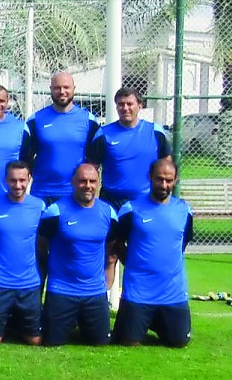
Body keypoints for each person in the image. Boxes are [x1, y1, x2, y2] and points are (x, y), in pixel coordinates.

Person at [112, 158, 194, 348]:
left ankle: (157, 321)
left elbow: (181, 244)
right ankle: (141, 320)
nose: (164, 185)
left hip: (172, 293)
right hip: (139, 292)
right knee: (129, 342)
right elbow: (116, 244)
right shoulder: (130, 209)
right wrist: (133, 263)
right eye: (159, 179)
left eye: (168, 180)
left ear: (175, 181)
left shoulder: (184, 210)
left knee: (178, 342)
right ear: (150, 177)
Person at [37, 162, 117, 347]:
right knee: (52, 342)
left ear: (98, 183)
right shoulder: (55, 212)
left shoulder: (109, 213)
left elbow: (111, 250)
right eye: (82, 181)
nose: (87, 186)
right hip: (62, 290)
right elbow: (42, 244)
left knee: (101, 343)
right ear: (72, 182)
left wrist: (104, 283)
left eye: (92, 181)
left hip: (94, 292)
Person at [0, 160, 45, 345]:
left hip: (28, 283)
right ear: (5, 180)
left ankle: (15, 325)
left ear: (29, 179)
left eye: (22, 180)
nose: (18, 185)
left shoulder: (39, 206)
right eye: (13, 180)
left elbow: (42, 243)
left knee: (35, 340)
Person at [20, 71, 99, 204]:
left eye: (66, 87)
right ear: (51, 89)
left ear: (74, 89)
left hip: (74, 194)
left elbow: (95, 161)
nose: (62, 91)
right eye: (57, 88)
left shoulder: (89, 121)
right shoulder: (35, 120)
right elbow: (25, 157)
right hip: (42, 193)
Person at [87, 87, 170, 212]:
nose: (125, 108)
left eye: (130, 104)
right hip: (112, 202)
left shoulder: (155, 132)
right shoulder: (103, 134)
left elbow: (167, 166)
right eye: (120, 104)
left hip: (146, 201)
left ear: (140, 106)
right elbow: (91, 168)